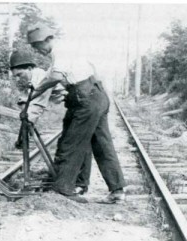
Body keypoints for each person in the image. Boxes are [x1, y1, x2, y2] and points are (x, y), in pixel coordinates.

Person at [26, 23, 126, 203]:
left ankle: (63, 191)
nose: (36, 50)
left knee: (70, 144)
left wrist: (35, 93)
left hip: (85, 99)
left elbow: (54, 78)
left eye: (36, 46)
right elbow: (51, 77)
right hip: (95, 95)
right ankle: (116, 190)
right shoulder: (66, 50)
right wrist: (31, 96)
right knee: (101, 144)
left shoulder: (61, 50)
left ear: (47, 40)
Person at [9, 50, 91, 195]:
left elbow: (38, 105)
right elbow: (30, 100)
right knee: (78, 144)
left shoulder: (40, 78)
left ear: (29, 68)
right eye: (15, 76)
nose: (18, 79)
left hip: (83, 100)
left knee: (72, 145)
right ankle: (77, 183)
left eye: (19, 74)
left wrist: (26, 126)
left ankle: (75, 185)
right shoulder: (36, 77)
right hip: (77, 102)